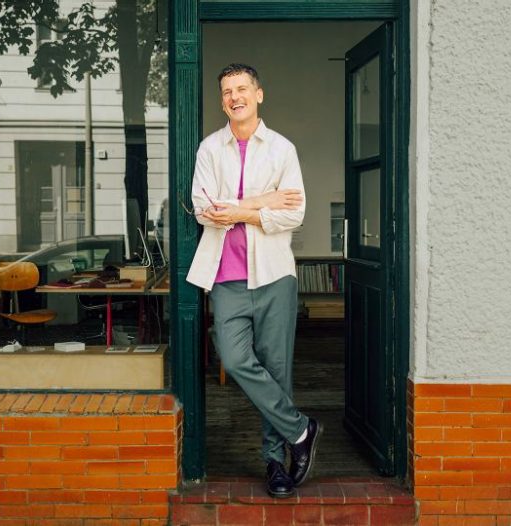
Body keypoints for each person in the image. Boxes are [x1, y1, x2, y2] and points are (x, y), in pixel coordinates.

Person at [186, 63, 321, 498]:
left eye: (242, 88)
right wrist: (261, 202)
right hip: (226, 277)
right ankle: (301, 430)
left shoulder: (282, 149)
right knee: (233, 355)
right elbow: (204, 208)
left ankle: (275, 461)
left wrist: (239, 210)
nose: (234, 97)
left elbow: (294, 213)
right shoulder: (210, 149)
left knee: (276, 369)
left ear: (258, 94)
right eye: (227, 91)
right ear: (222, 99)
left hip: (274, 276)